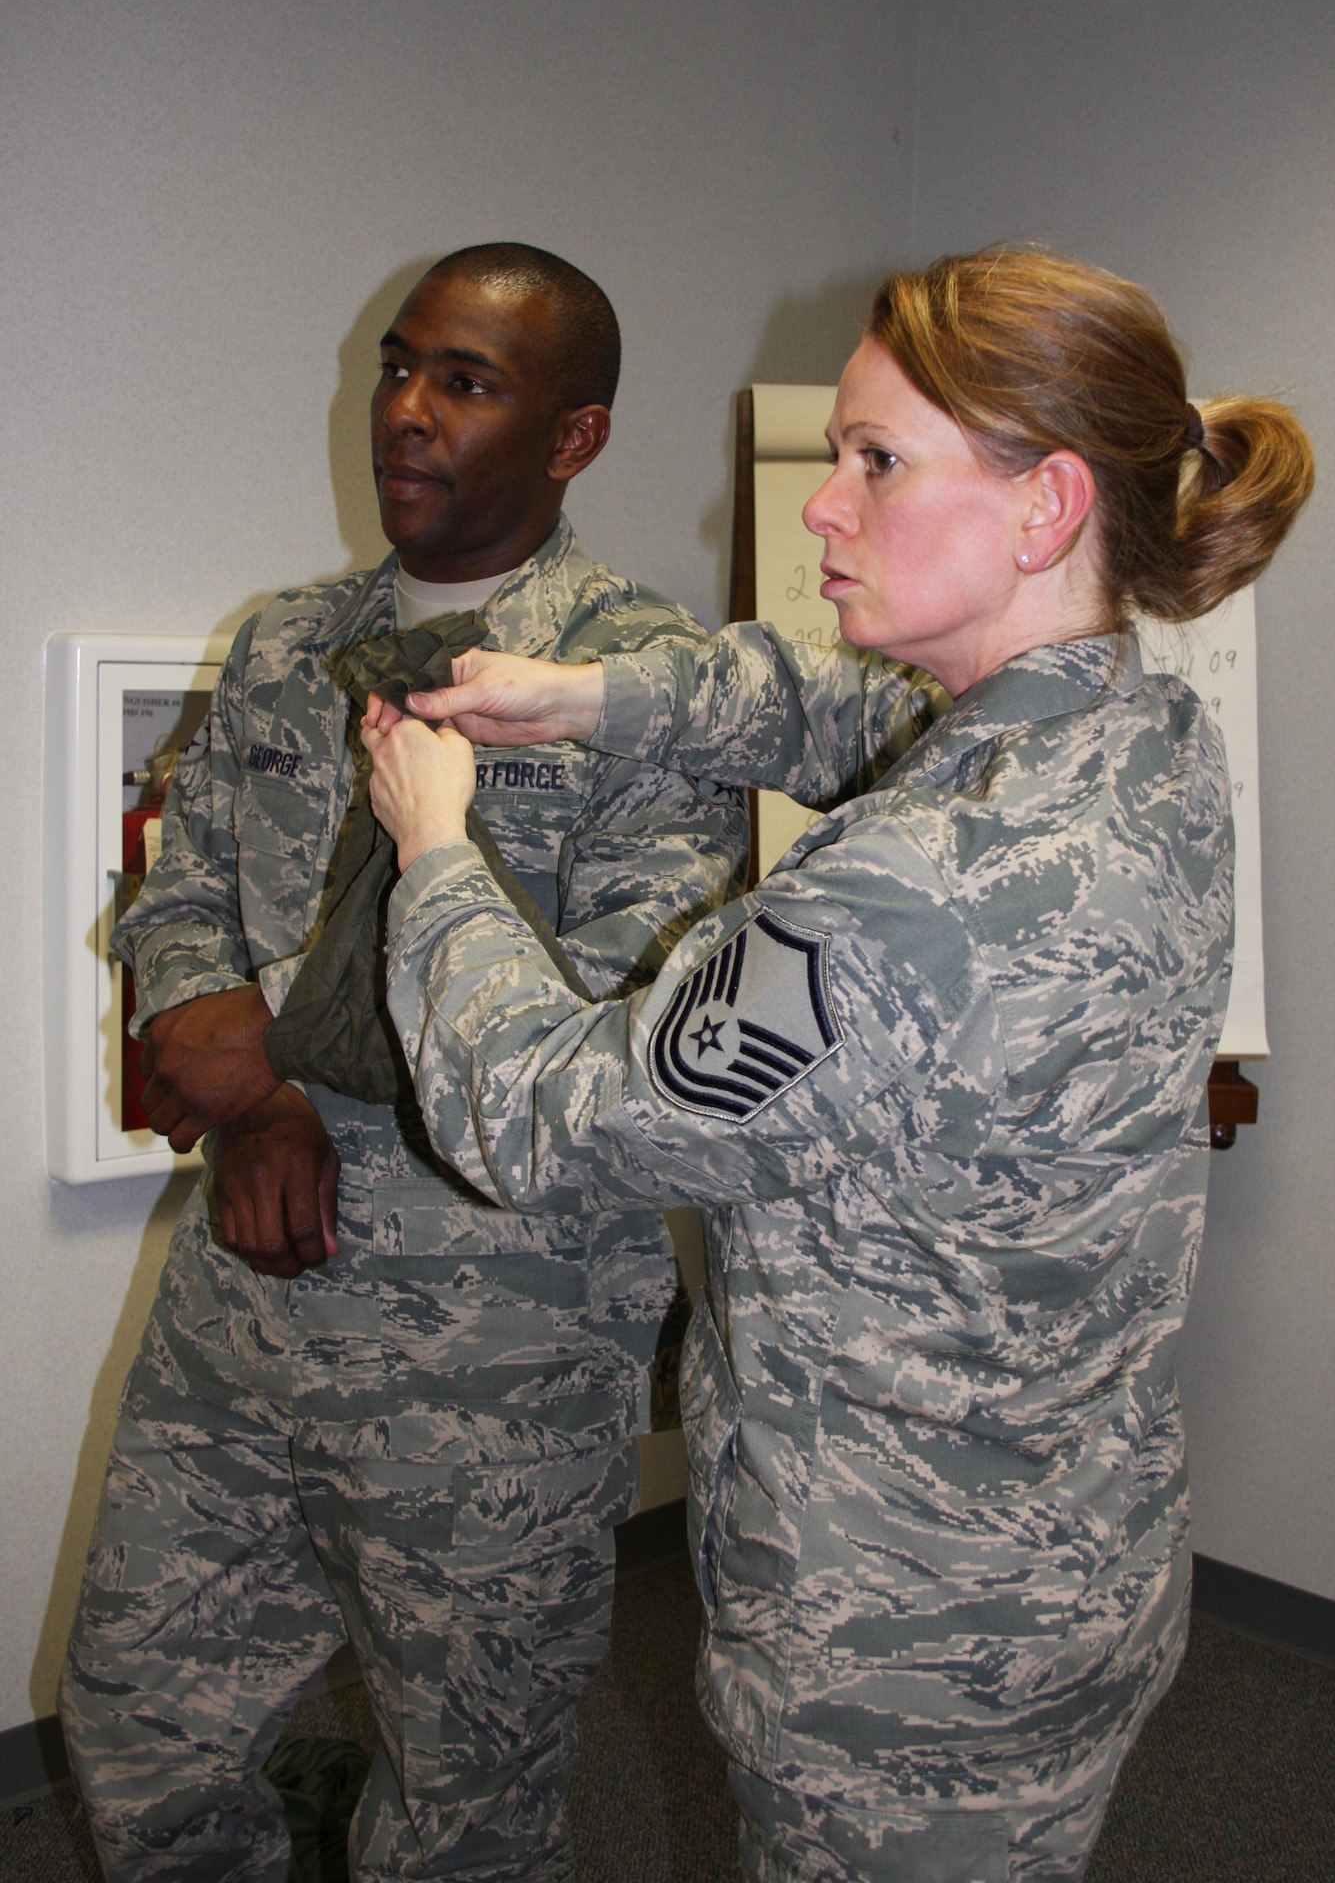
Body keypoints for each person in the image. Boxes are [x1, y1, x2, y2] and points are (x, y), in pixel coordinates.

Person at [358, 246, 1314, 1883]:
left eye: (877, 461)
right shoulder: (1138, 742)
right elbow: (836, 702)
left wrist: (437, 851)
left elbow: (547, 1116)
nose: (822, 505)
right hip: (1063, 1560)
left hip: (893, 1659)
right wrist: (596, 699)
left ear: (1044, 507)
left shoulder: (909, 894)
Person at [61, 246, 777, 1882]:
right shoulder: (283, 646)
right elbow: (172, 902)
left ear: (574, 436)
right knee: (139, 1716)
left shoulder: (637, 688)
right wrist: (259, 1097)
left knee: (470, 1797)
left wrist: (290, 1054)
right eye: (397, 366)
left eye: (466, 380)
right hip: (246, 1296)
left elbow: (614, 1031)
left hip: (498, 1347)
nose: (405, 410)